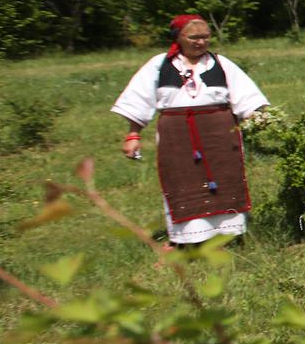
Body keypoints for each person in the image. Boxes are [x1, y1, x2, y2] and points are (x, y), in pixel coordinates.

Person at [111, 14, 270, 246]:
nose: (201, 42)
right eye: (194, 37)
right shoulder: (160, 65)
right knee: (181, 182)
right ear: (179, 37)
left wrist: (258, 118)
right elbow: (139, 100)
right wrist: (133, 135)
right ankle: (183, 241)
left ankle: (229, 237)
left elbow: (246, 97)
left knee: (225, 179)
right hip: (177, 137)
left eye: (205, 37)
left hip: (219, 135)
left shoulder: (221, 63)